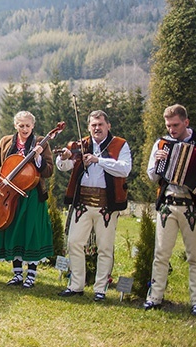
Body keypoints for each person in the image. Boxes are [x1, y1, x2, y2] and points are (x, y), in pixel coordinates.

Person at [143, 104, 196, 316]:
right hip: (168, 204)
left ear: (186, 122)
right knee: (161, 253)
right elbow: (152, 176)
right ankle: (155, 297)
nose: (171, 130)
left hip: (192, 206)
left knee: (195, 255)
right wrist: (156, 163)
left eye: (175, 125)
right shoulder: (162, 144)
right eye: (168, 125)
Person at [56, 110, 131, 301]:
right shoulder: (80, 145)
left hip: (107, 204)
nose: (97, 128)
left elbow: (125, 168)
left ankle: (100, 289)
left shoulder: (120, 144)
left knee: (104, 247)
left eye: (100, 124)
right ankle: (76, 285)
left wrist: (99, 160)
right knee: (74, 242)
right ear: (89, 127)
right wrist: (64, 157)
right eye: (93, 125)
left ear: (108, 126)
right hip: (82, 202)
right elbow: (63, 167)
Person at [0, 111, 53, 288]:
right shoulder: (6, 141)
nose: (25, 128)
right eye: (21, 125)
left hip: (32, 194)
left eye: (28, 125)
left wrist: (38, 158)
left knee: (31, 231)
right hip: (10, 195)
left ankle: (31, 275)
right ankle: (17, 274)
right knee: (13, 230)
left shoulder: (41, 142)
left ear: (33, 126)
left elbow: (49, 171)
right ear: (15, 125)